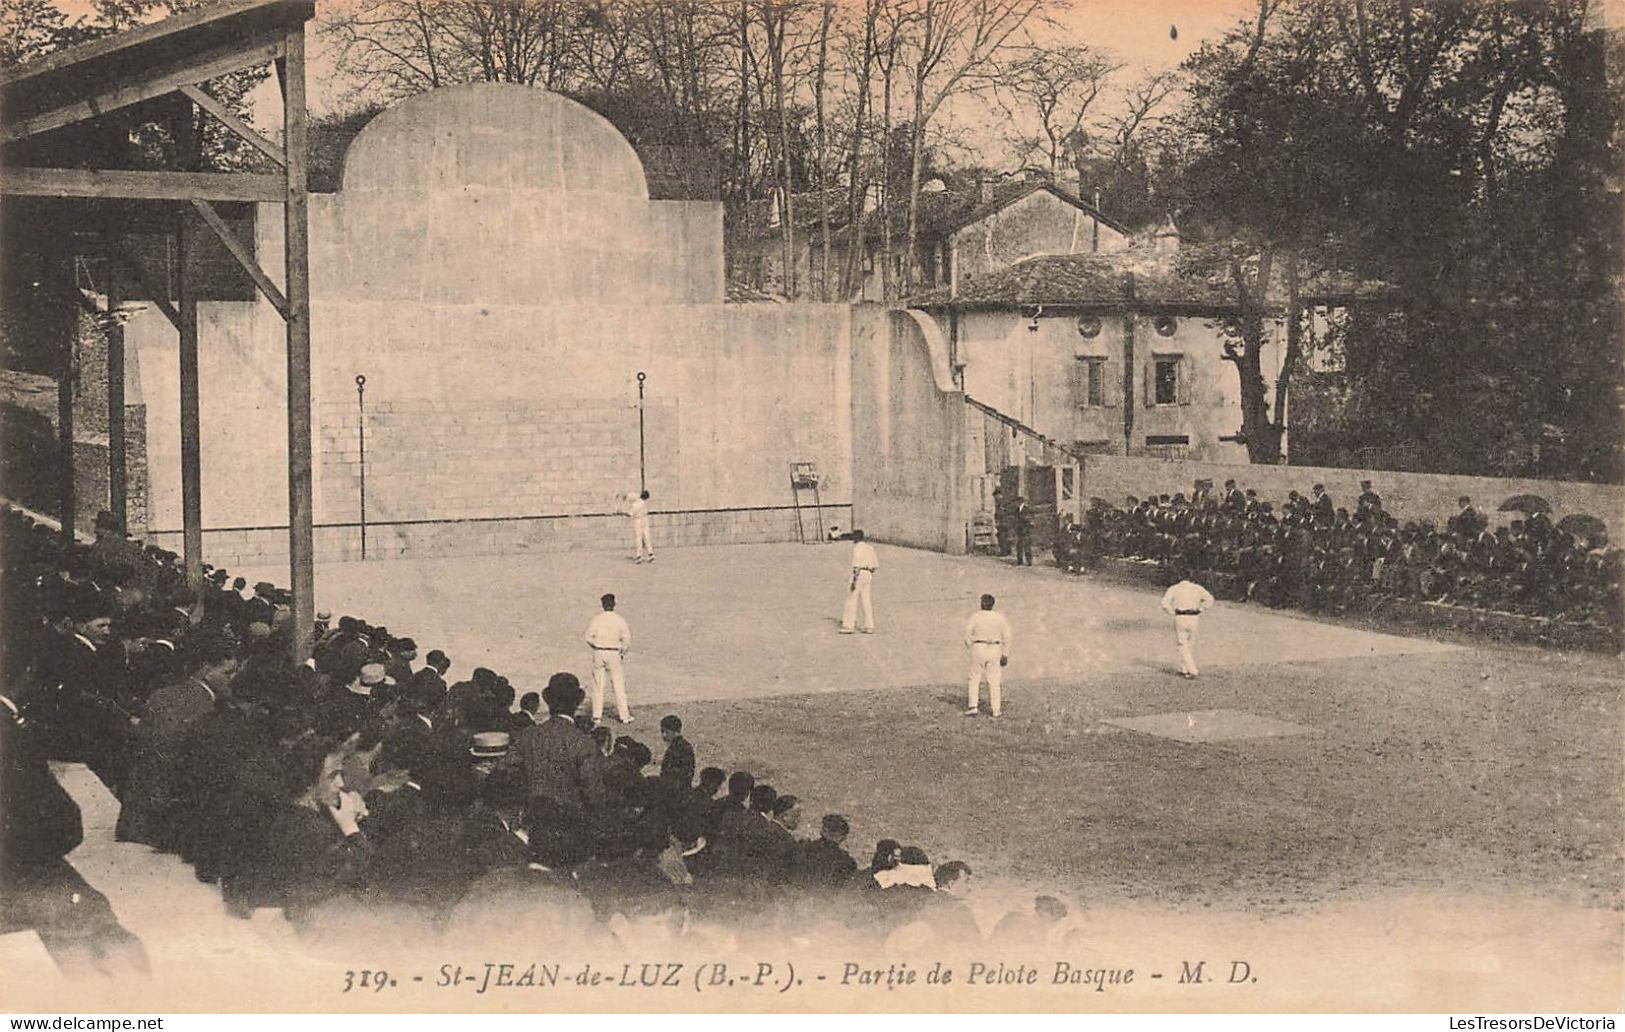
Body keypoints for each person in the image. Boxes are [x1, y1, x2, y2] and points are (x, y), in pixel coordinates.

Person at [584, 593, 633, 724]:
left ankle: (596, 716)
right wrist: (622, 650)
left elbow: (588, 636)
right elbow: (627, 639)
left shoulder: (597, 619)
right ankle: (624, 716)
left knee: (598, 685)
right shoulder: (619, 619)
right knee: (618, 685)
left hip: (599, 652)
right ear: (614, 604)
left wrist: (596, 645)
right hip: (614, 653)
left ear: (602, 605)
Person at [963, 593, 1012, 717]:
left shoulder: (975, 616)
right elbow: (1007, 636)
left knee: (974, 677)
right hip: (995, 648)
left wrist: (971, 646)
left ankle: (973, 706)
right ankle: (996, 710)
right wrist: (1005, 654)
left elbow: (967, 634)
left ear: (982, 603)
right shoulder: (999, 618)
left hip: (978, 647)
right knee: (994, 680)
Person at [1160, 573, 1216, 678]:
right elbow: (1210, 599)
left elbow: (1164, 603)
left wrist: (1171, 612)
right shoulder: (1197, 588)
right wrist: (1201, 609)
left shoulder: (1174, 588)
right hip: (1194, 617)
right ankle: (1184, 668)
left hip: (1180, 616)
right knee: (1190, 643)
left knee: (1182, 644)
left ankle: (1192, 670)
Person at [839, 530, 879, 634]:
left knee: (851, 599)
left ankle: (848, 626)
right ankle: (869, 626)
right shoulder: (870, 548)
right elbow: (875, 565)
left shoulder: (857, 548)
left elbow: (856, 565)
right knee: (866, 600)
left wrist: (854, 581)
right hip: (869, 573)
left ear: (856, 538)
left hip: (859, 573)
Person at [658, 714, 694, 787]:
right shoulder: (680, 746)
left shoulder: (678, 748)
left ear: (676, 732)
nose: (664, 735)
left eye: (667, 732)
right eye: (662, 731)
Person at [629, 490, 654, 564]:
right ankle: (650, 553)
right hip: (645, 519)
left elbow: (631, 513)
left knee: (638, 537)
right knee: (647, 536)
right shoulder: (645, 503)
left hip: (638, 520)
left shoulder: (636, 504)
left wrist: (623, 512)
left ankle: (639, 555)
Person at [1013, 497, 1033, 566]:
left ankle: (1029, 561)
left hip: (1025, 531)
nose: (1016, 503)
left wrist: (1027, 528)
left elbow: (1029, 520)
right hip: (1019, 531)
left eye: (1017, 502)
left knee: (1027, 546)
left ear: (1020, 502)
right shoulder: (1016, 510)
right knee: (1019, 546)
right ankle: (1020, 561)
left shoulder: (1026, 510)